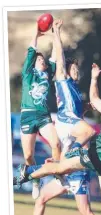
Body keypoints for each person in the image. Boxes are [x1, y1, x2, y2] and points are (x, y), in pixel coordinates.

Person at [14, 62, 101, 215]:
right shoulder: (96, 113)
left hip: (94, 168)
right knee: (47, 190)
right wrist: (94, 79)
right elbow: (94, 100)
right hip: (81, 161)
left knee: (94, 207)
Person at [21, 19, 101, 215]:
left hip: (72, 162)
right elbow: (59, 55)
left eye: (75, 67)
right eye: (72, 66)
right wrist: (56, 32)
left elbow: (83, 108)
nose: (75, 69)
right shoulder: (62, 79)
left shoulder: (75, 91)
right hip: (65, 128)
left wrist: (92, 88)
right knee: (87, 132)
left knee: (84, 210)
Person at [20, 24, 61, 199]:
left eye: (43, 60)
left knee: (56, 144)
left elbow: (56, 54)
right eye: (39, 59)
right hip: (27, 115)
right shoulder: (28, 73)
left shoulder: (48, 73)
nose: (42, 60)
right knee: (28, 156)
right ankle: (36, 181)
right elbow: (31, 50)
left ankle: (58, 173)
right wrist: (36, 35)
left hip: (43, 116)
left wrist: (56, 33)